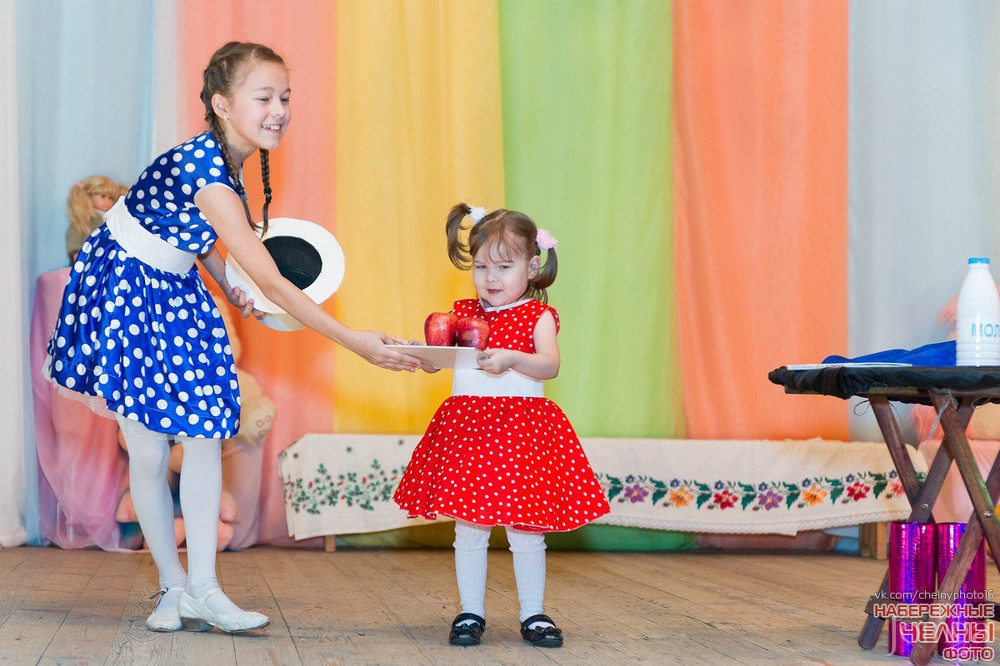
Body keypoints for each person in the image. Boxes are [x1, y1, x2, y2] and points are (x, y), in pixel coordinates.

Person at [44, 41, 419, 634]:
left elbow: (191, 228)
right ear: (222, 104)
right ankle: (173, 589)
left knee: (201, 432)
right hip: (125, 288)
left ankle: (206, 589)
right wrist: (354, 341)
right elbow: (266, 274)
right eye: (264, 97)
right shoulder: (209, 175)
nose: (280, 110)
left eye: (286, 98)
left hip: (173, 286)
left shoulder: (225, 163)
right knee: (144, 448)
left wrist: (220, 278)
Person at [393, 203, 611, 648]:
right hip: (469, 432)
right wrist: (425, 355)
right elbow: (449, 363)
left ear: (532, 266)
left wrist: (513, 359)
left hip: (521, 434)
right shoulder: (461, 313)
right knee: (469, 528)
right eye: (482, 267)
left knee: (526, 531)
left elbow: (549, 366)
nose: (491, 278)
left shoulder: (538, 316)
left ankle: (533, 614)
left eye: (504, 267)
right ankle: (470, 611)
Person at [65, 175, 118, 263]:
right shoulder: (84, 219)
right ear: (88, 196)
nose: (108, 201)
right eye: (103, 196)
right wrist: (77, 257)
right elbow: (73, 238)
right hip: (88, 262)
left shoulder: (111, 216)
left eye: (110, 198)